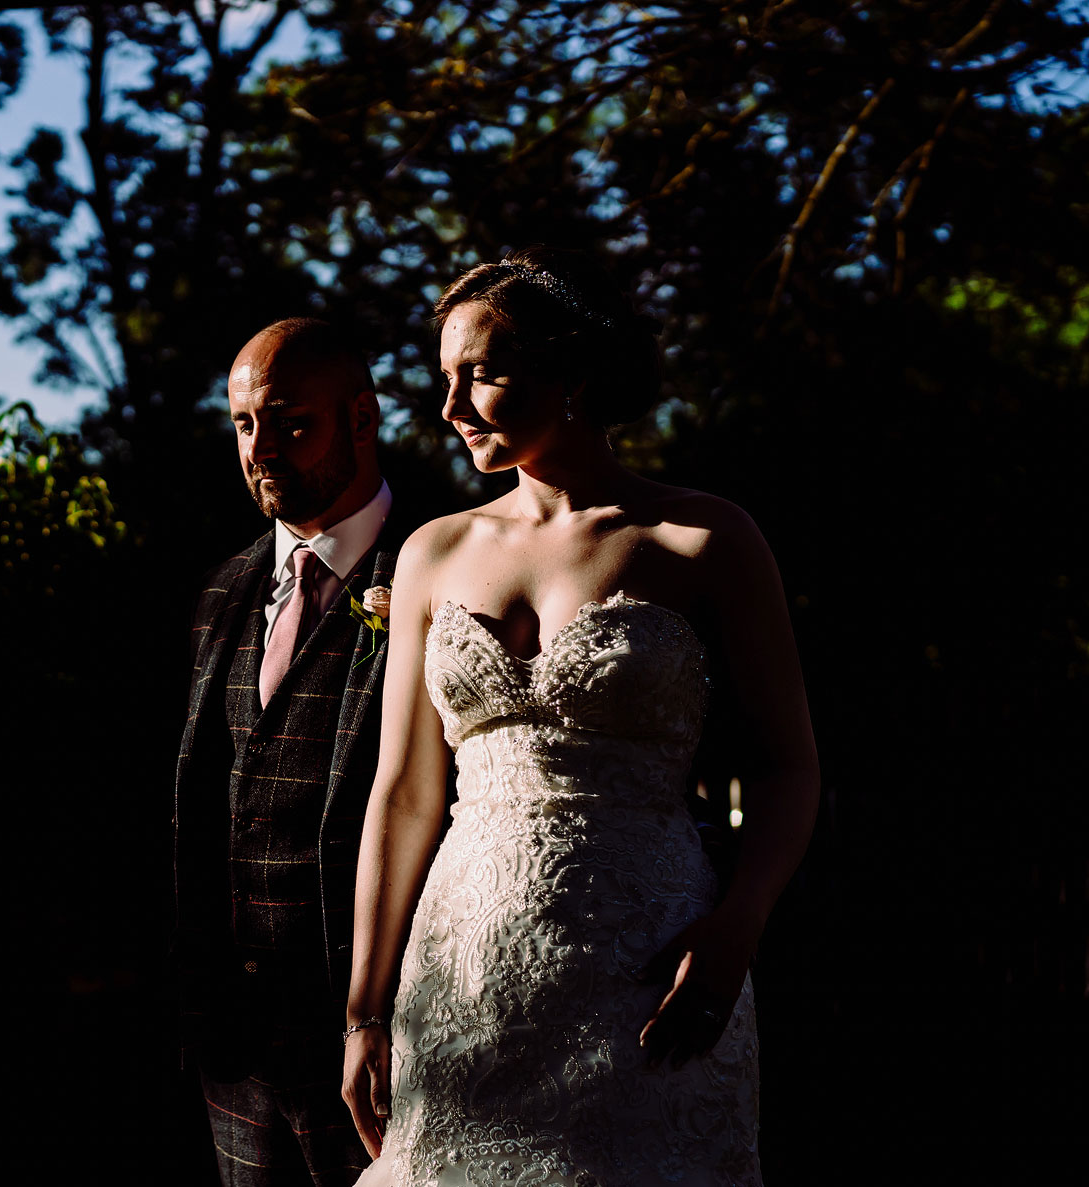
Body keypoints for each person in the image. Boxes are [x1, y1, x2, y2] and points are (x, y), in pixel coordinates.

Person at [339, 246, 820, 1187]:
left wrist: (738, 926)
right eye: (443, 378)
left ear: (571, 374)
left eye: (480, 374)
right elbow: (401, 794)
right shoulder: (434, 552)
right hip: (460, 980)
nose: (449, 406)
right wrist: (364, 1007)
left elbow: (787, 765)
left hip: (650, 971)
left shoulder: (704, 538)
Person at [172, 318, 406, 1186]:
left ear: (362, 418)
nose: (260, 449)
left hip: (390, 1039)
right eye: (243, 425)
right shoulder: (220, 590)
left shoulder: (439, 567)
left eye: (290, 422)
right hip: (238, 1050)